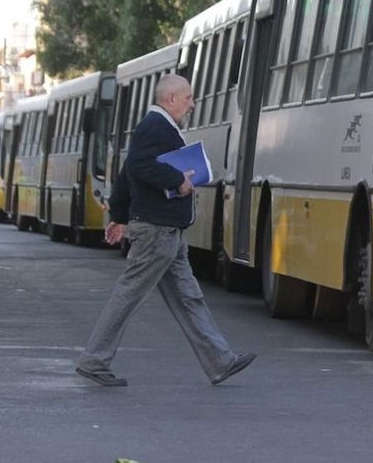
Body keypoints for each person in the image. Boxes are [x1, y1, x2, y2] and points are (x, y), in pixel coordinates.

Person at [76, 74, 255, 387]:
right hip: (157, 232)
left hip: (169, 231)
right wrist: (176, 180)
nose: (192, 105)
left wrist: (119, 215)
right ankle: (94, 360)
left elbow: (128, 172)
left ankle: (220, 360)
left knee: (189, 297)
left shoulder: (158, 127)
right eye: (188, 98)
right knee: (129, 294)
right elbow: (139, 166)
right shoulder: (155, 126)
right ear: (171, 98)